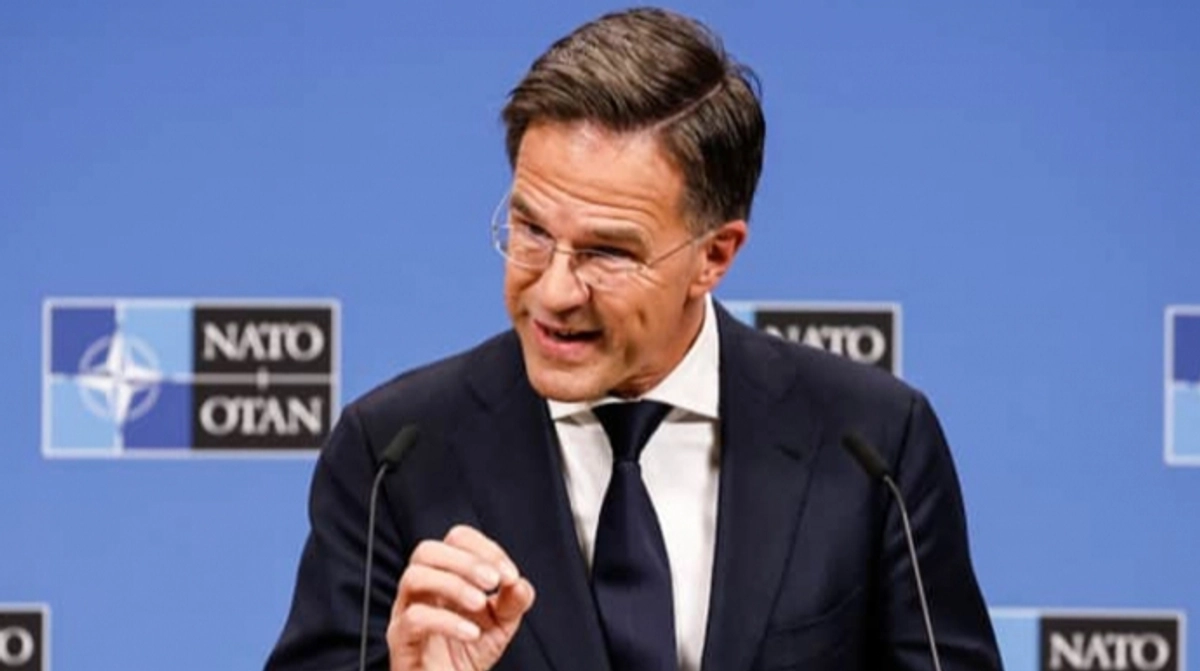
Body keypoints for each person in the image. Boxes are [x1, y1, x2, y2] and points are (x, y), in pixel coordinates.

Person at [264, 7, 1003, 671]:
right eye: (530, 230)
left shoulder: (872, 444)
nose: (553, 290)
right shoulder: (394, 454)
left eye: (607, 252)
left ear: (714, 256)